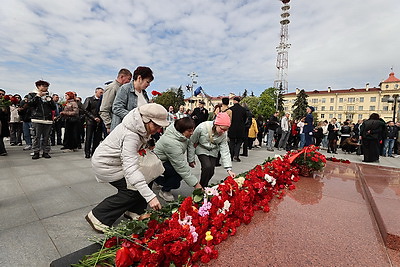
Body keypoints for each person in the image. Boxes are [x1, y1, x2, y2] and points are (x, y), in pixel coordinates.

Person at [86, 103, 169, 233]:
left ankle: (134, 211)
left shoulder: (140, 126)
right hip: (107, 166)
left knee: (149, 175)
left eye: (160, 126)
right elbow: (130, 169)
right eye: (156, 125)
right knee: (132, 190)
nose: (158, 129)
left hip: (118, 163)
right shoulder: (131, 135)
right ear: (146, 120)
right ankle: (98, 216)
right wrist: (150, 197)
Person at [154, 117, 202, 202]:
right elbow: (181, 167)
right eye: (189, 131)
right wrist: (196, 185)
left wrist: (190, 160)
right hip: (157, 162)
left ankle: (158, 179)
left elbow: (190, 145)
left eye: (192, 130)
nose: (192, 133)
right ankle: (164, 189)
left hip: (168, 160)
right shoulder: (171, 142)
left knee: (177, 174)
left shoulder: (180, 134)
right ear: (182, 130)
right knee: (178, 174)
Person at [189, 112, 236, 187]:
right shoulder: (202, 127)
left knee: (211, 171)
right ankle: (201, 188)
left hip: (213, 151)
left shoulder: (224, 134)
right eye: (222, 129)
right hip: (202, 149)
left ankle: (203, 185)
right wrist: (191, 159)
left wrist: (229, 169)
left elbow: (225, 150)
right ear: (216, 124)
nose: (223, 132)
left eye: (226, 130)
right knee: (207, 166)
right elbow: (192, 142)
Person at [111, 66, 152, 130]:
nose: (149, 85)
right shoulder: (125, 89)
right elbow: (116, 108)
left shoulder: (144, 94)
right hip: (124, 130)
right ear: (139, 78)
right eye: (147, 82)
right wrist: (136, 117)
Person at [28, 80, 56, 159]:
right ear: (38, 86)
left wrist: (50, 101)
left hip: (48, 120)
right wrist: (37, 96)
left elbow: (54, 107)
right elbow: (30, 104)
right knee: (36, 136)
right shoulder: (32, 94)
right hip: (37, 118)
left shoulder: (48, 96)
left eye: (46, 86)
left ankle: (45, 152)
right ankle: (36, 152)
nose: (45, 88)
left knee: (46, 137)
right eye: (43, 86)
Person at [99, 68, 132, 134]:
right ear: (122, 77)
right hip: (112, 125)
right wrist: (109, 125)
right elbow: (104, 109)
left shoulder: (122, 88)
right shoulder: (112, 87)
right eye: (128, 79)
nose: (129, 82)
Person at [83, 87, 104, 158]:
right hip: (90, 121)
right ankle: (87, 152)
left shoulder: (103, 101)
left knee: (97, 138)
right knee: (89, 137)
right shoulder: (89, 99)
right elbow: (85, 110)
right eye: (100, 92)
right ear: (96, 92)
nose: (102, 94)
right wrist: (93, 117)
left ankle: (94, 152)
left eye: (102, 93)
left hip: (100, 122)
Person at [227, 96, 247, 161]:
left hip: (232, 128)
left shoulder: (231, 109)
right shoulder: (243, 109)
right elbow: (245, 119)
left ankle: (231, 155)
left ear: (234, 101)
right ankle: (236, 155)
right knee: (239, 142)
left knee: (232, 142)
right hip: (240, 128)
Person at [0, 89, 10, 156]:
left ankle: (2, 150)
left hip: (2, 121)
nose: (1, 95)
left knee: (0, 136)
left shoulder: (5, 103)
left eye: (2, 94)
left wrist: (5, 110)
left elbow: (7, 114)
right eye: (0, 94)